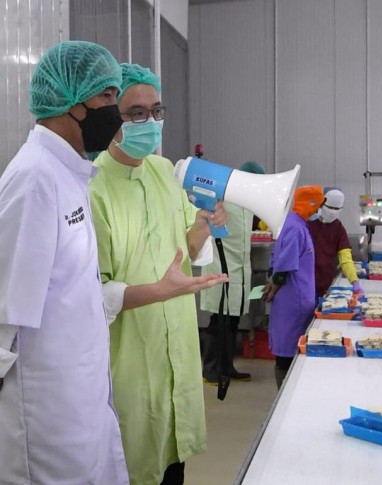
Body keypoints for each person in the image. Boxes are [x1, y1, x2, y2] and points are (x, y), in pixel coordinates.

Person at [89, 63, 228, 485]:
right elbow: (95, 294)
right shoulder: (94, 186)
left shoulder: (165, 172)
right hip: (130, 358)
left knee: (173, 465)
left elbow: (183, 248)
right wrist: (160, 291)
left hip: (177, 353)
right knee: (133, 462)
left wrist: (204, 222)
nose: (149, 122)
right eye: (135, 113)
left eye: (156, 110)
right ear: (112, 114)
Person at [0, 41, 129, 484]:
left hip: (80, 399)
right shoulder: (34, 178)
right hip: (45, 414)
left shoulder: (70, 174)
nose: (117, 111)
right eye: (107, 97)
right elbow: (5, 314)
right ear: (70, 102)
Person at [200, 160, 267, 385]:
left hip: (240, 267)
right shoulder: (222, 196)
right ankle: (210, 369)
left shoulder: (248, 202)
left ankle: (227, 367)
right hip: (220, 264)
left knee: (232, 320)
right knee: (218, 320)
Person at [263, 185, 324, 388]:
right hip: (293, 300)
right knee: (288, 351)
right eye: (319, 206)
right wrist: (274, 285)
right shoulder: (296, 228)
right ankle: (285, 393)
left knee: (287, 347)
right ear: (311, 204)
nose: (320, 212)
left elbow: (277, 260)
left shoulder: (293, 223)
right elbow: (284, 266)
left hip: (293, 298)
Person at [307, 188, 363, 297]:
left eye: (336, 209)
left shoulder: (338, 229)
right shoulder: (308, 223)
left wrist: (354, 281)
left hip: (325, 282)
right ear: (322, 204)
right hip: (305, 280)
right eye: (330, 207)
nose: (332, 212)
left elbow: (345, 258)